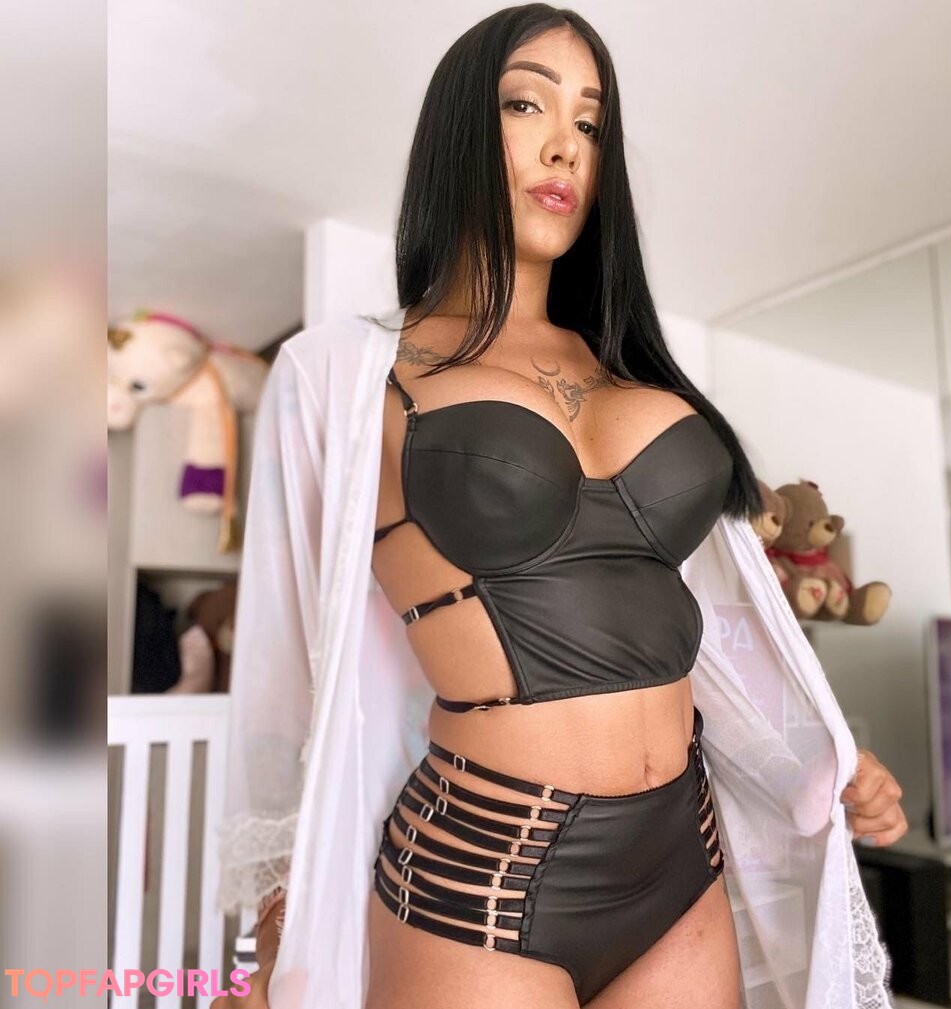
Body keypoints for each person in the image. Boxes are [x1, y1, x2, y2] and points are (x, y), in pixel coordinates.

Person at [212, 6, 905, 1008]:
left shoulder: (635, 366)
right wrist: (272, 937)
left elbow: (705, 625)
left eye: (590, 122)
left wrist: (821, 750)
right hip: (482, 872)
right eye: (526, 104)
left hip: (682, 858)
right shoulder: (342, 375)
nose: (564, 146)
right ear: (460, 129)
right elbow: (288, 671)